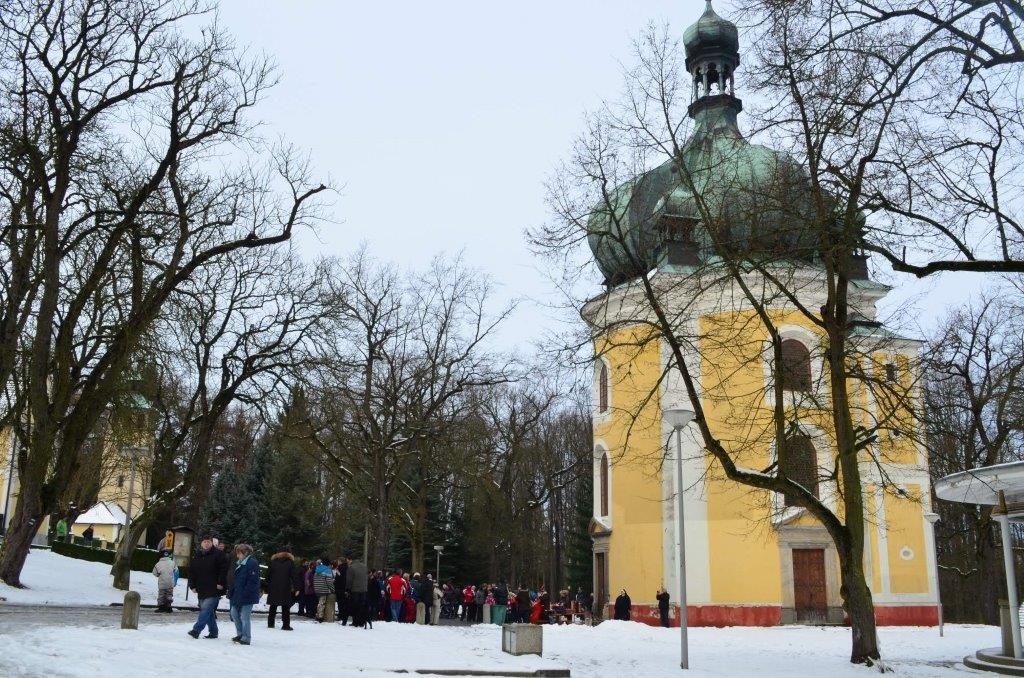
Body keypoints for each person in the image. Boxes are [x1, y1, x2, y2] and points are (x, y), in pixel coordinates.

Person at [188, 535, 228, 639]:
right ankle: (214, 632)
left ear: (212, 543)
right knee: (208, 612)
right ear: (201, 543)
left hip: (214, 588)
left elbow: (223, 570)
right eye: (204, 542)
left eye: (208, 542)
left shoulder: (219, 554)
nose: (206, 543)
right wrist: (192, 585)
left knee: (205, 609)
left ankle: (196, 630)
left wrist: (221, 583)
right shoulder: (198, 555)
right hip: (201, 587)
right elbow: (192, 572)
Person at [227, 543, 261, 645]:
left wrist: (245, 593)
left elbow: (253, 581)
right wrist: (231, 591)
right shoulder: (240, 562)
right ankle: (240, 634)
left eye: (239, 553)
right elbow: (236, 580)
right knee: (234, 613)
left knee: (244, 617)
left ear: (245, 553)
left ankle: (246, 638)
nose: (237, 555)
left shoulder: (252, 563)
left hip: (247, 595)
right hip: (237, 594)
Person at [267, 547, 297, 631]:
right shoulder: (290, 563)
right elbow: (294, 576)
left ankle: (270, 624)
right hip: (285, 587)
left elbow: (268, 575)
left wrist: (267, 586)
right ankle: (286, 625)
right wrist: (297, 587)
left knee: (273, 606)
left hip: (274, 587)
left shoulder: (272, 562)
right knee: (285, 607)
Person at [347, 556, 368, 628]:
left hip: (355, 590)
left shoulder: (351, 567)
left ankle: (355, 622)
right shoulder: (364, 567)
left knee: (355, 606)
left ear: (351, 560)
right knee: (361, 606)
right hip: (364, 590)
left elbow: (349, 580)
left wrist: (348, 589)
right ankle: (361, 622)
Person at [313, 557, 335, 622]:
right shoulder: (327, 570)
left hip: (317, 588)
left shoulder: (318, 568)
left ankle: (318, 615)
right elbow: (329, 582)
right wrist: (333, 589)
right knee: (322, 603)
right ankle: (320, 617)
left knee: (319, 603)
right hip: (324, 589)